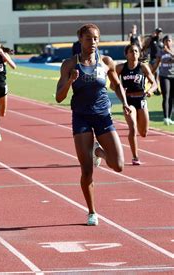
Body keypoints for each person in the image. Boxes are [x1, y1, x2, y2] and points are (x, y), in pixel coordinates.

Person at [56, 24, 130, 226]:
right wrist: (70, 81)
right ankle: (92, 212)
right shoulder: (69, 64)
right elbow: (59, 97)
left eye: (96, 38)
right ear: (80, 40)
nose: (93, 42)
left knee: (119, 165)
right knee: (86, 170)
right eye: (89, 39)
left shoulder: (106, 62)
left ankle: (99, 152)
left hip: (103, 117)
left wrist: (124, 103)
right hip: (81, 117)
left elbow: (116, 85)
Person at [116, 43, 158, 165]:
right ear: (126, 54)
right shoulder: (120, 68)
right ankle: (135, 157)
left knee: (143, 132)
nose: (133, 53)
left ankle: (138, 136)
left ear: (139, 54)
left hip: (141, 99)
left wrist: (150, 91)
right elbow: (114, 84)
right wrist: (120, 94)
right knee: (132, 127)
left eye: (136, 51)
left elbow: (154, 84)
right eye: (131, 51)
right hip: (128, 101)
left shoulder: (143, 67)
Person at [152, 34, 174, 125]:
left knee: (172, 98)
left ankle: (169, 117)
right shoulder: (161, 52)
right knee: (166, 96)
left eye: (169, 40)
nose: (168, 42)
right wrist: (150, 73)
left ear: (172, 42)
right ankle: (165, 117)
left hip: (173, 76)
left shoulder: (172, 51)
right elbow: (156, 64)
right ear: (163, 42)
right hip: (164, 76)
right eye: (166, 41)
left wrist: (169, 51)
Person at [143, 28, 163, 95]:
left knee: (157, 75)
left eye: (160, 32)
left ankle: (155, 89)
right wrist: (151, 37)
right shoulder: (152, 40)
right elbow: (146, 45)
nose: (158, 34)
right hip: (153, 60)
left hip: (160, 61)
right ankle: (155, 89)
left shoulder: (161, 42)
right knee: (155, 74)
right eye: (158, 32)